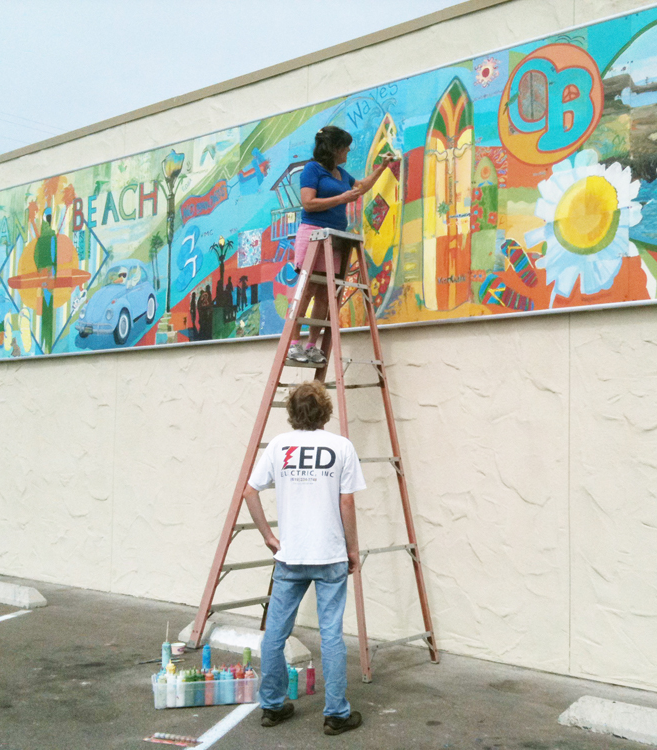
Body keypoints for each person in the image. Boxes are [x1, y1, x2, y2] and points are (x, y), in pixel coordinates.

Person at [243, 379, 366, 736]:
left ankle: (272, 705)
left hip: (290, 555)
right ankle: (336, 714)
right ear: (325, 410)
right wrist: (352, 548)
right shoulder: (341, 447)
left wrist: (269, 536)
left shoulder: (279, 445)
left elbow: (250, 492)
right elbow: (347, 502)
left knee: (275, 633)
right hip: (330, 555)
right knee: (331, 635)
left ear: (292, 412)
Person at [288, 125, 399, 365]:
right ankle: (294, 343)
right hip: (314, 234)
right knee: (307, 289)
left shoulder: (341, 173)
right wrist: (341, 198)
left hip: (335, 238)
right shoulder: (312, 169)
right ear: (335, 148)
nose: (348, 150)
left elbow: (361, 187)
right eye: (345, 146)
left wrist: (382, 167)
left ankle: (311, 345)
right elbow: (308, 204)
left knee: (325, 294)